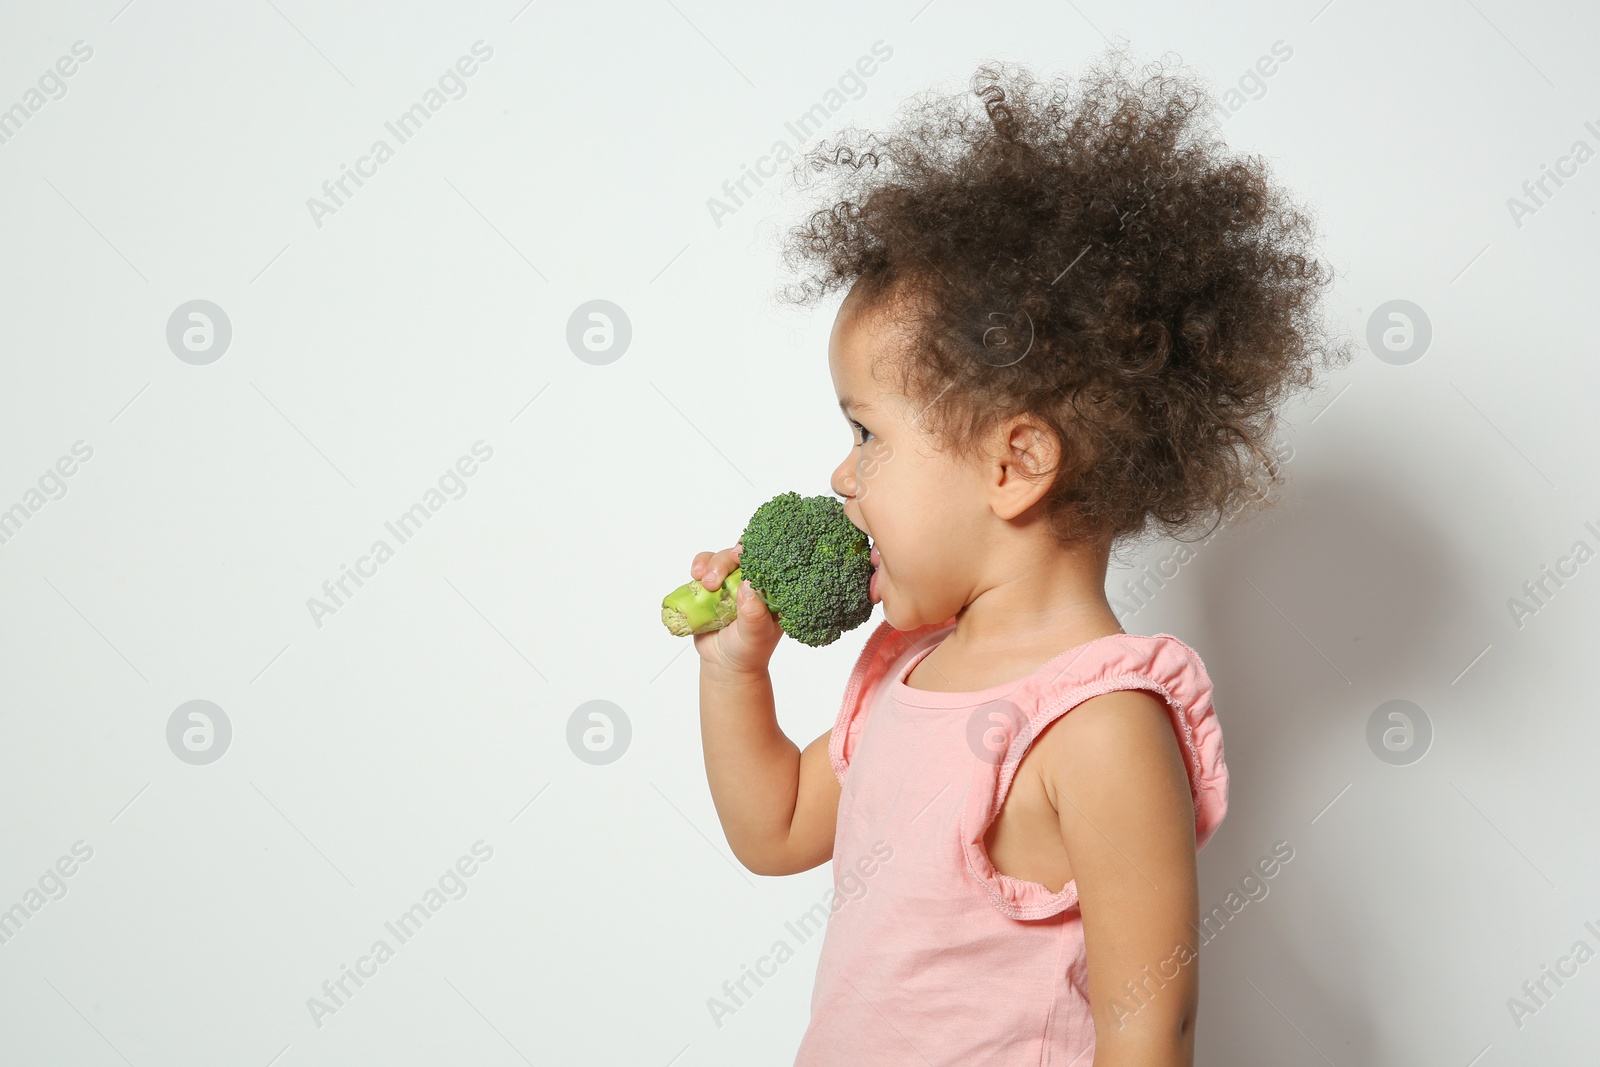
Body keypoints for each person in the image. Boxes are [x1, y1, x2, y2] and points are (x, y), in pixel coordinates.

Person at [689, 43, 1351, 1067]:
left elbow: (1149, 1024)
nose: (839, 474)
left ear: (1015, 463)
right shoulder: (904, 669)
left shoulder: (1098, 726)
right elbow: (773, 829)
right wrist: (735, 669)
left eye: (868, 433)